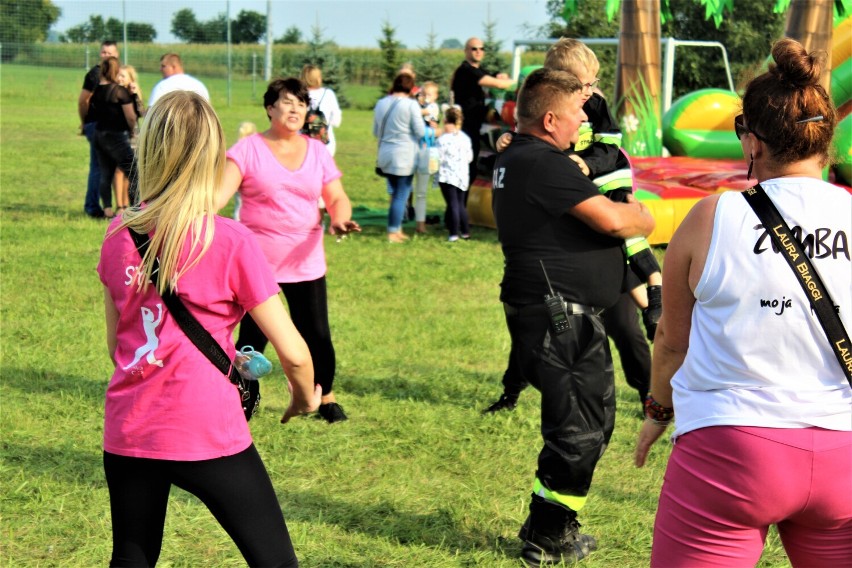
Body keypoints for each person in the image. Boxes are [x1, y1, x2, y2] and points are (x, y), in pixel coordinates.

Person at [634, 38, 851, 566]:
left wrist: (658, 412)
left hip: (729, 449)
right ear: (827, 140)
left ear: (752, 143)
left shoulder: (712, 217)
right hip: (843, 451)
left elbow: (671, 341)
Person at [97, 90, 321, 567]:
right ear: (211, 157)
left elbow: (116, 340)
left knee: (131, 558)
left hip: (131, 428)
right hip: (207, 429)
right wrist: (305, 398)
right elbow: (295, 352)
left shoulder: (118, 232)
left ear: (150, 150)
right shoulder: (231, 240)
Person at [492, 67, 654, 566]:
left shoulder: (521, 159)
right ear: (549, 119)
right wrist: (644, 217)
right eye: (576, 114)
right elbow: (613, 217)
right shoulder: (542, 163)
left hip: (556, 314)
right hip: (559, 317)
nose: (582, 122)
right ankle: (545, 537)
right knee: (580, 430)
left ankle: (548, 523)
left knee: (584, 423)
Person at [485, 37, 658, 415]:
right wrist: (506, 140)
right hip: (570, 227)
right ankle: (512, 390)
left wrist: (588, 166)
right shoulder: (543, 136)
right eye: (582, 85)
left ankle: (650, 392)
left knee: (625, 328)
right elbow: (526, 137)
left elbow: (611, 149)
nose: (587, 96)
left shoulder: (593, 108)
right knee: (534, 334)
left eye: (590, 85)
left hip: (596, 200)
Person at [218, 78, 361, 424]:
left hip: (305, 262)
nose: (295, 109)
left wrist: (340, 219)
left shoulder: (317, 150)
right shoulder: (247, 150)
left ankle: (324, 397)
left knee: (316, 334)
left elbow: (336, 197)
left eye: (301, 103)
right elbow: (216, 198)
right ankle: (243, 395)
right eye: (287, 102)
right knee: (252, 338)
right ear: (270, 108)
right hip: (257, 263)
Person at [451, 37, 515, 192]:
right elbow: (497, 84)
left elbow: (493, 76)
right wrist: (519, 83)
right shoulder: (465, 71)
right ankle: (458, 210)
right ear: (466, 51)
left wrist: (500, 74)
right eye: (474, 48)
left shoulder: (477, 70)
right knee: (465, 168)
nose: (478, 51)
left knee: (471, 167)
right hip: (465, 127)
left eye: (481, 48)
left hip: (474, 125)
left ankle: (461, 209)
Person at [373, 73, 425, 243]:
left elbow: (375, 131)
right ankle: (393, 231)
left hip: (385, 152)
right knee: (401, 194)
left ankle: (397, 229)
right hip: (404, 154)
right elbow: (420, 131)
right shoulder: (411, 105)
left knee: (395, 192)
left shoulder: (381, 103)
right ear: (411, 88)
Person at [91, 56, 137, 219]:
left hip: (99, 134)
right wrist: (133, 131)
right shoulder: (119, 91)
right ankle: (134, 209)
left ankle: (107, 210)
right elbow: (131, 117)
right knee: (133, 170)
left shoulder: (97, 90)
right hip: (116, 136)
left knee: (106, 173)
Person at [78, 40, 118, 218]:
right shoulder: (94, 74)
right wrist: (85, 122)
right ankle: (93, 207)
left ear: (117, 54)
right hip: (99, 126)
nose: (107, 56)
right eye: (104, 52)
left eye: (110, 53)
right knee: (99, 167)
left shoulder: (120, 73)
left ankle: (117, 207)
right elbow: (83, 100)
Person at [435, 107, 473, 242]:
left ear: (445, 120)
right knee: (461, 204)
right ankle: (466, 232)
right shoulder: (465, 138)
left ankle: (453, 233)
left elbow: (438, 158)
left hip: (447, 175)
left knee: (452, 204)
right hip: (462, 175)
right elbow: (470, 157)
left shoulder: (442, 139)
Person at [114, 64, 145, 214]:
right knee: (118, 169)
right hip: (118, 135)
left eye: (123, 76)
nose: (119, 78)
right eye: (118, 75)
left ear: (131, 80)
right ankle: (119, 206)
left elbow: (140, 113)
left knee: (129, 169)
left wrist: (135, 95)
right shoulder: (113, 93)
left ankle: (126, 204)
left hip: (133, 136)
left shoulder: (133, 94)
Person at [413, 81, 441, 234]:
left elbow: (424, 115)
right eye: (423, 94)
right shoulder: (416, 105)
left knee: (421, 191)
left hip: (426, 152)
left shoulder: (432, 108)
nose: (425, 97)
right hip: (412, 150)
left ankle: (420, 224)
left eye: (429, 94)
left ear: (435, 97)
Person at [300, 64, 343, 157]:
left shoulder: (297, 94)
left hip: (302, 143)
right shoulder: (328, 94)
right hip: (325, 143)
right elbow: (336, 121)